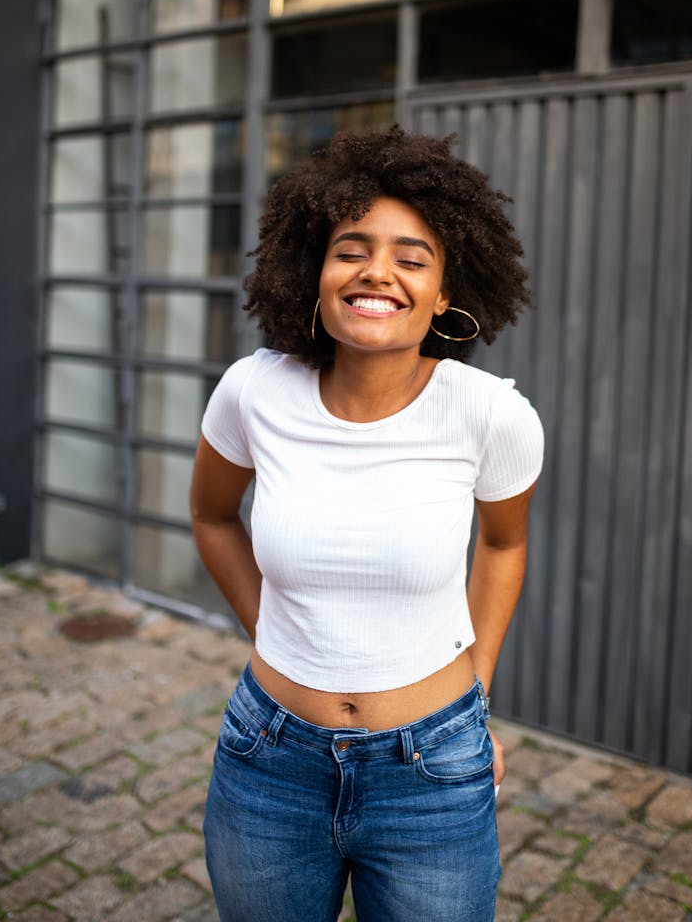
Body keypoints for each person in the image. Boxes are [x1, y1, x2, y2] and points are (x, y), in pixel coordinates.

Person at [189, 127, 544, 922]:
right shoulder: (253, 391)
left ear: (446, 292)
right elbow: (212, 517)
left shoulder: (491, 416)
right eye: (352, 249)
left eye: (412, 257)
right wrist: (273, 628)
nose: (377, 271)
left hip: (433, 769)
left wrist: (476, 695)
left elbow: (503, 543)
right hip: (268, 763)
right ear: (314, 271)